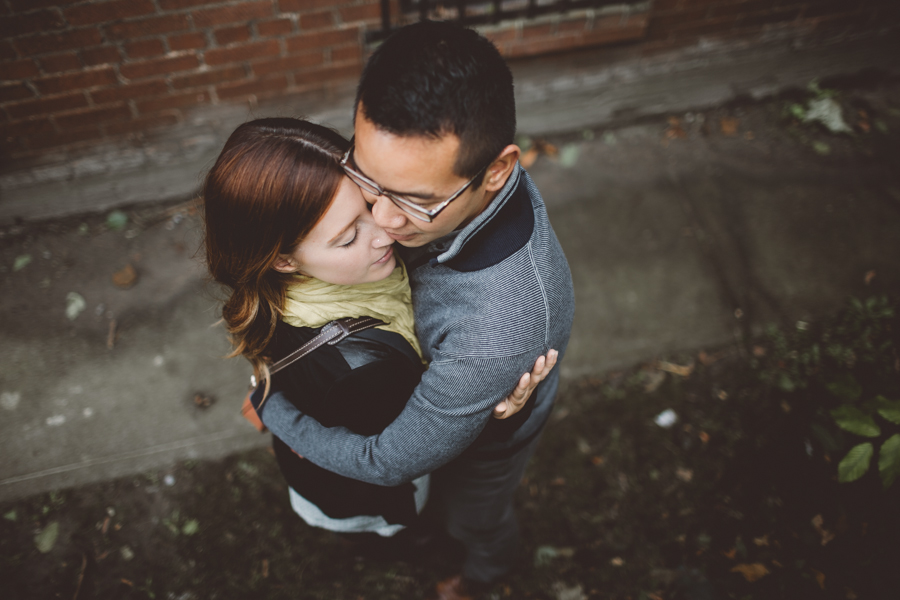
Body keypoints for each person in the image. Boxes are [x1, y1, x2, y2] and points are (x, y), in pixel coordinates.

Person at [259, 21, 575, 597]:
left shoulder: (495, 331)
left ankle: (486, 575)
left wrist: (275, 409)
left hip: (491, 436)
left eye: (415, 202)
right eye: (368, 181)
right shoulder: (420, 168)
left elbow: (388, 461)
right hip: (443, 391)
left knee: (471, 520)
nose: (380, 221)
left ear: (497, 170)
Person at [202, 118, 555, 542]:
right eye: (349, 236)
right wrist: (493, 413)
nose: (386, 231)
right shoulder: (365, 369)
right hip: (361, 497)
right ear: (283, 260)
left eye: (370, 203)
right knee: (397, 538)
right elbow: (407, 456)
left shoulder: (277, 291)